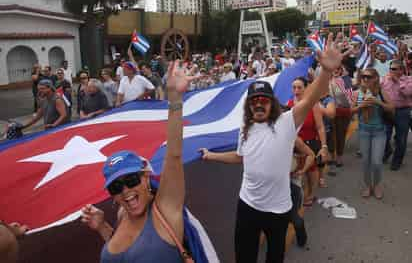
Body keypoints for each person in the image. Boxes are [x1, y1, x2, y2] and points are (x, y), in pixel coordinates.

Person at [200, 33, 342, 263]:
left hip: (278, 211)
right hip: (247, 206)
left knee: (274, 258)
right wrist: (211, 155)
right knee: (244, 257)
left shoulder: (286, 122)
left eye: (263, 100)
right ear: (248, 106)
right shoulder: (244, 128)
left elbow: (310, 98)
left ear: (272, 104)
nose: (258, 104)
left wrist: (325, 71)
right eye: (254, 101)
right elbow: (240, 157)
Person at [81, 60, 195, 262]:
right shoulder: (122, 215)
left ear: (145, 178)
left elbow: (174, 154)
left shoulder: (166, 209)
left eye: (132, 180)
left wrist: (175, 99)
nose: (125, 191)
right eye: (116, 187)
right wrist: (102, 227)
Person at [352, 68, 394, 198]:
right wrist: (361, 106)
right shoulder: (357, 93)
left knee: (376, 161)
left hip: (379, 132)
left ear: (375, 78)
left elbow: (391, 107)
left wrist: (378, 102)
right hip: (364, 131)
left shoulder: (381, 92)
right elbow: (351, 111)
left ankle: (376, 185)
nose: (365, 79)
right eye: (363, 76)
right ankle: (367, 185)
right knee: (365, 161)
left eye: (368, 77)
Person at [288, 77, 328, 203]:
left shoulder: (313, 104)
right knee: (296, 169)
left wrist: (324, 146)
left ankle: (311, 193)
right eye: (294, 87)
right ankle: (296, 193)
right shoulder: (288, 104)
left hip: (310, 142)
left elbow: (320, 127)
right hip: (294, 143)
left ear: (306, 88)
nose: (296, 90)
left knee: (311, 170)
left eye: (299, 87)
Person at [382, 60, 412, 170]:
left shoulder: (409, 79)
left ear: (401, 70)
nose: (391, 71)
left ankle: (397, 161)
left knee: (401, 138)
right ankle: (387, 151)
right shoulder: (385, 79)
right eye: (390, 68)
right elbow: (378, 90)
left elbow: (408, 92)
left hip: (402, 112)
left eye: (394, 69)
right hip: (387, 111)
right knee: (383, 135)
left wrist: (398, 81)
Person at [290, 137, 315, 247]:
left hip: (292, 184)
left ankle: (302, 239)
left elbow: (310, 154)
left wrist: (301, 170)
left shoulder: (293, 138)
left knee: (293, 216)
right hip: (275, 186)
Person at [329, 66, 352, 167]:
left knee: (340, 135)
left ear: (341, 70)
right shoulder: (327, 81)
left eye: (338, 69)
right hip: (330, 111)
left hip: (343, 112)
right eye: (334, 69)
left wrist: (340, 83)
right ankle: (332, 155)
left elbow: (349, 98)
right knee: (330, 135)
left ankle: (339, 157)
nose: (336, 71)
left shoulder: (346, 80)